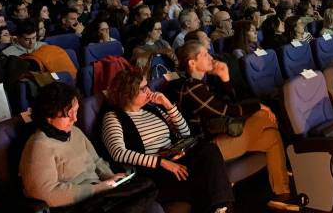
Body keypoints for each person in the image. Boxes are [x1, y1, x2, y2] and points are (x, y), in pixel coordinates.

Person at [176, 41, 300, 211]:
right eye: (205, 55)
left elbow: (232, 103)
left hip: (227, 135)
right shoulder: (190, 87)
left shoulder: (206, 83)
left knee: (271, 136)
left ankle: (282, 193)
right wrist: (259, 106)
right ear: (192, 63)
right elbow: (225, 110)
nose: (211, 57)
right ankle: (297, 149)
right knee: (265, 115)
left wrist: (225, 78)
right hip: (209, 148)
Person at [103, 70, 234, 212]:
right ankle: (223, 205)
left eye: (147, 86)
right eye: (143, 88)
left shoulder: (152, 109)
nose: (148, 91)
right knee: (210, 181)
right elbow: (118, 153)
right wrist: (162, 162)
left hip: (176, 160)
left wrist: (168, 105)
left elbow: (185, 133)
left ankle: (221, 207)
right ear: (127, 93)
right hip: (154, 172)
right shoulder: (113, 117)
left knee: (209, 150)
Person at [20, 82, 157, 212]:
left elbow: (96, 162)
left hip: (100, 196)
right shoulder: (38, 147)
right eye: (68, 115)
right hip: (77, 205)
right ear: (48, 116)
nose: (75, 119)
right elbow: (46, 194)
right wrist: (100, 188)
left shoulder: (75, 132)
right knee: (143, 192)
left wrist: (113, 179)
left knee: (147, 185)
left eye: (76, 112)